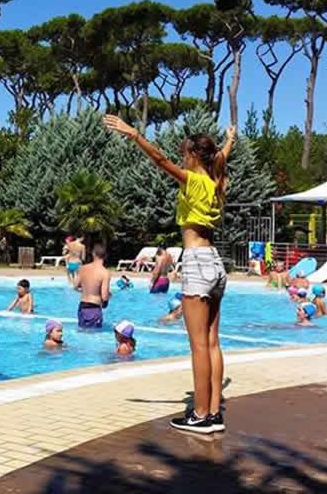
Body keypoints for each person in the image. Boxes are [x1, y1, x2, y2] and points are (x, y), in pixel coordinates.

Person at [105, 112, 234, 435]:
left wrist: (135, 135)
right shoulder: (216, 181)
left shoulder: (194, 181)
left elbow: (160, 161)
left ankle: (200, 415)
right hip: (216, 263)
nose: (181, 158)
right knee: (212, 343)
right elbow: (221, 157)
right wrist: (230, 140)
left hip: (197, 262)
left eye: (184, 153)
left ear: (193, 156)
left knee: (198, 346)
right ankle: (213, 412)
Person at [75, 244, 112, 329]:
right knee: (94, 334)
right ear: (105, 256)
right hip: (94, 307)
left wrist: (86, 290)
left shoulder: (83, 268)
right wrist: (108, 298)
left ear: (93, 254)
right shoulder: (105, 273)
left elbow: (76, 286)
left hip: (82, 306)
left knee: (82, 331)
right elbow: (104, 296)